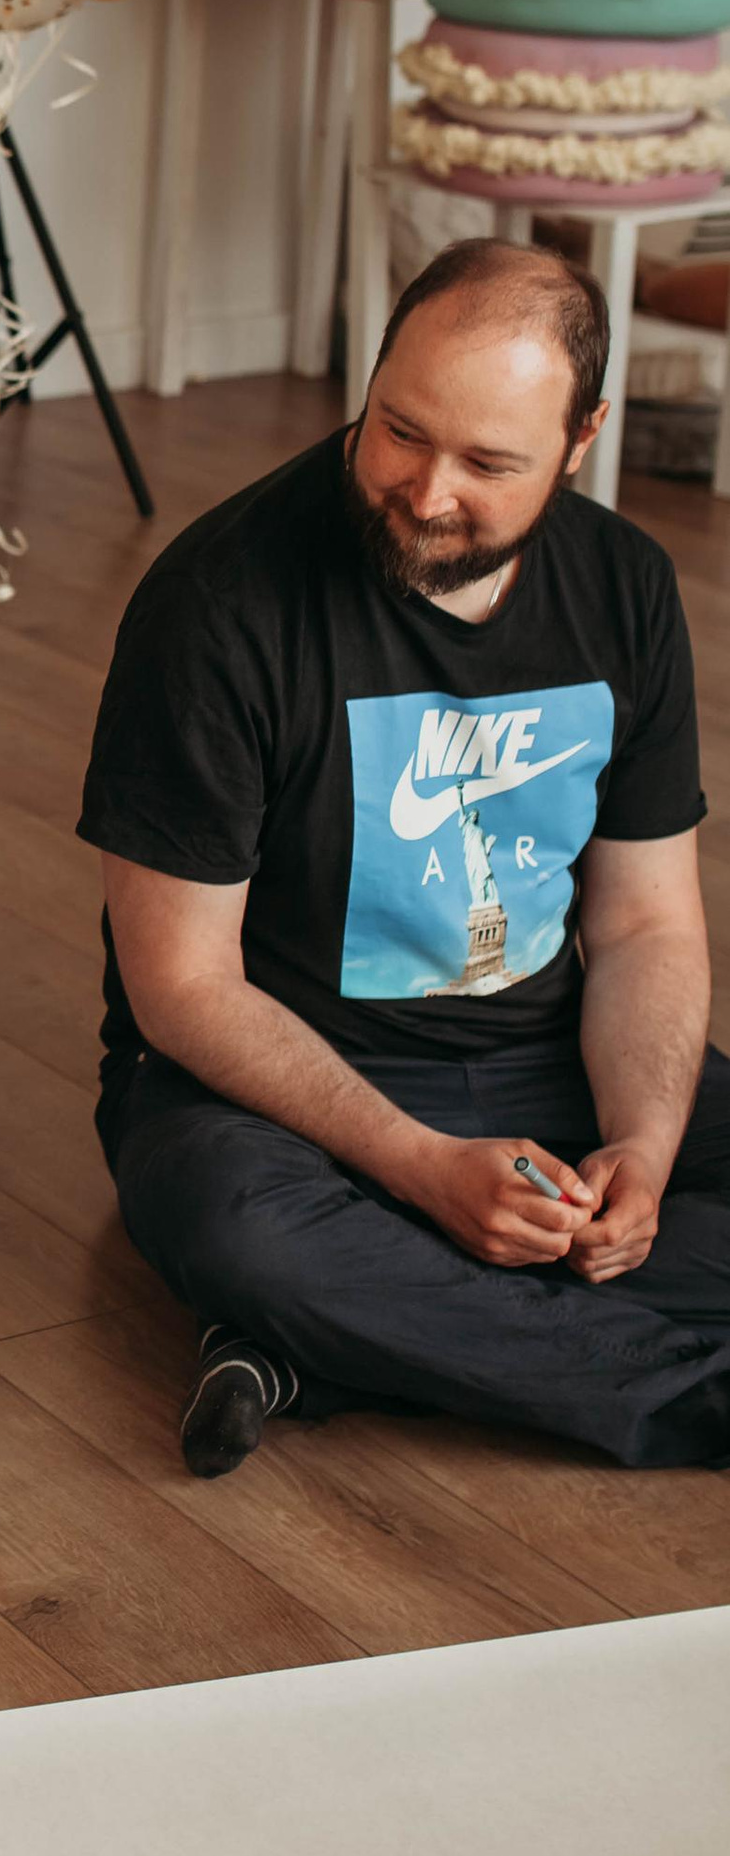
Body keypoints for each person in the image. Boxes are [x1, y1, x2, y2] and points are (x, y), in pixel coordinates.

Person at [81, 235, 730, 1478]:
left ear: (581, 438)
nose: (428, 493)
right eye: (399, 431)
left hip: (546, 1066)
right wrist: (424, 1172)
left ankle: (315, 1352)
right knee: (240, 1230)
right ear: (372, 377)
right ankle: (670, 1398)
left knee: (672, 1166)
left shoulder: (627, 587)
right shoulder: (217, 601)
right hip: (274, 1101)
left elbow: (647, 925)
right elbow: (182, 988)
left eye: (489, 463)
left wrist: (640, 1148)